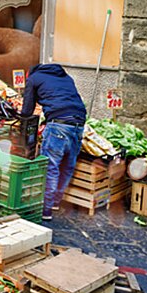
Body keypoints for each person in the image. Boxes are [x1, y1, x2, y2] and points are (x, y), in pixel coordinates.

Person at [21, 63, 87, 221]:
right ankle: (56, 202)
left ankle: (45, 209)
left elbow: (27, 110)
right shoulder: (66, 77)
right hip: (79, 123)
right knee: (67, 165)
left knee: (51, 167)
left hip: (58, 124)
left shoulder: (34, 78)